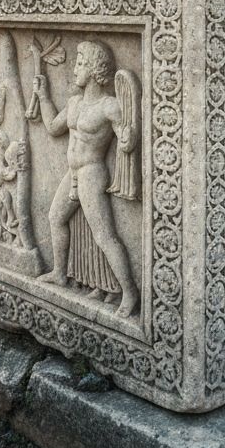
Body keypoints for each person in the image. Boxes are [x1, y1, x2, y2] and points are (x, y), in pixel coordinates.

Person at [34, 40, 140, 317]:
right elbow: (53, 127)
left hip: (92, 173)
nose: (75, 68)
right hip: (72, 173)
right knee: (55, 217)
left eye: (81, 63)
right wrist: (43, 97)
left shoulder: (109, 106)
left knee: (104, 235)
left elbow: (126, 139)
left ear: (94, 70)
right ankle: (60, 273)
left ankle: (129, 292)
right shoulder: (75, 102)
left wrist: (128, 137)